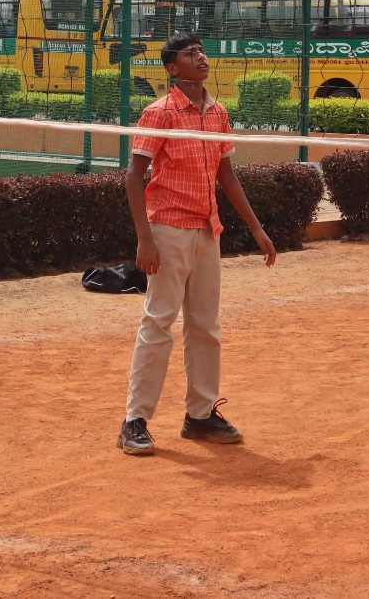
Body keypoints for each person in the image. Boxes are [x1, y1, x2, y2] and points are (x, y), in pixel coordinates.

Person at [118, 32, 278, 456]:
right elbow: (134, 176)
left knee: (206, 325)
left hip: (208, 231)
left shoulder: (217, 111)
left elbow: (227, 175)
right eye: (191, 54)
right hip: (168, 228)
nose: (201, 57)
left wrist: (257, 228)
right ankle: (135, 420)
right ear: (173, 68)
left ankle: (201, 415)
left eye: (202, 51)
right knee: (158, 323)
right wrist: (145, 238)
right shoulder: (160, 112)